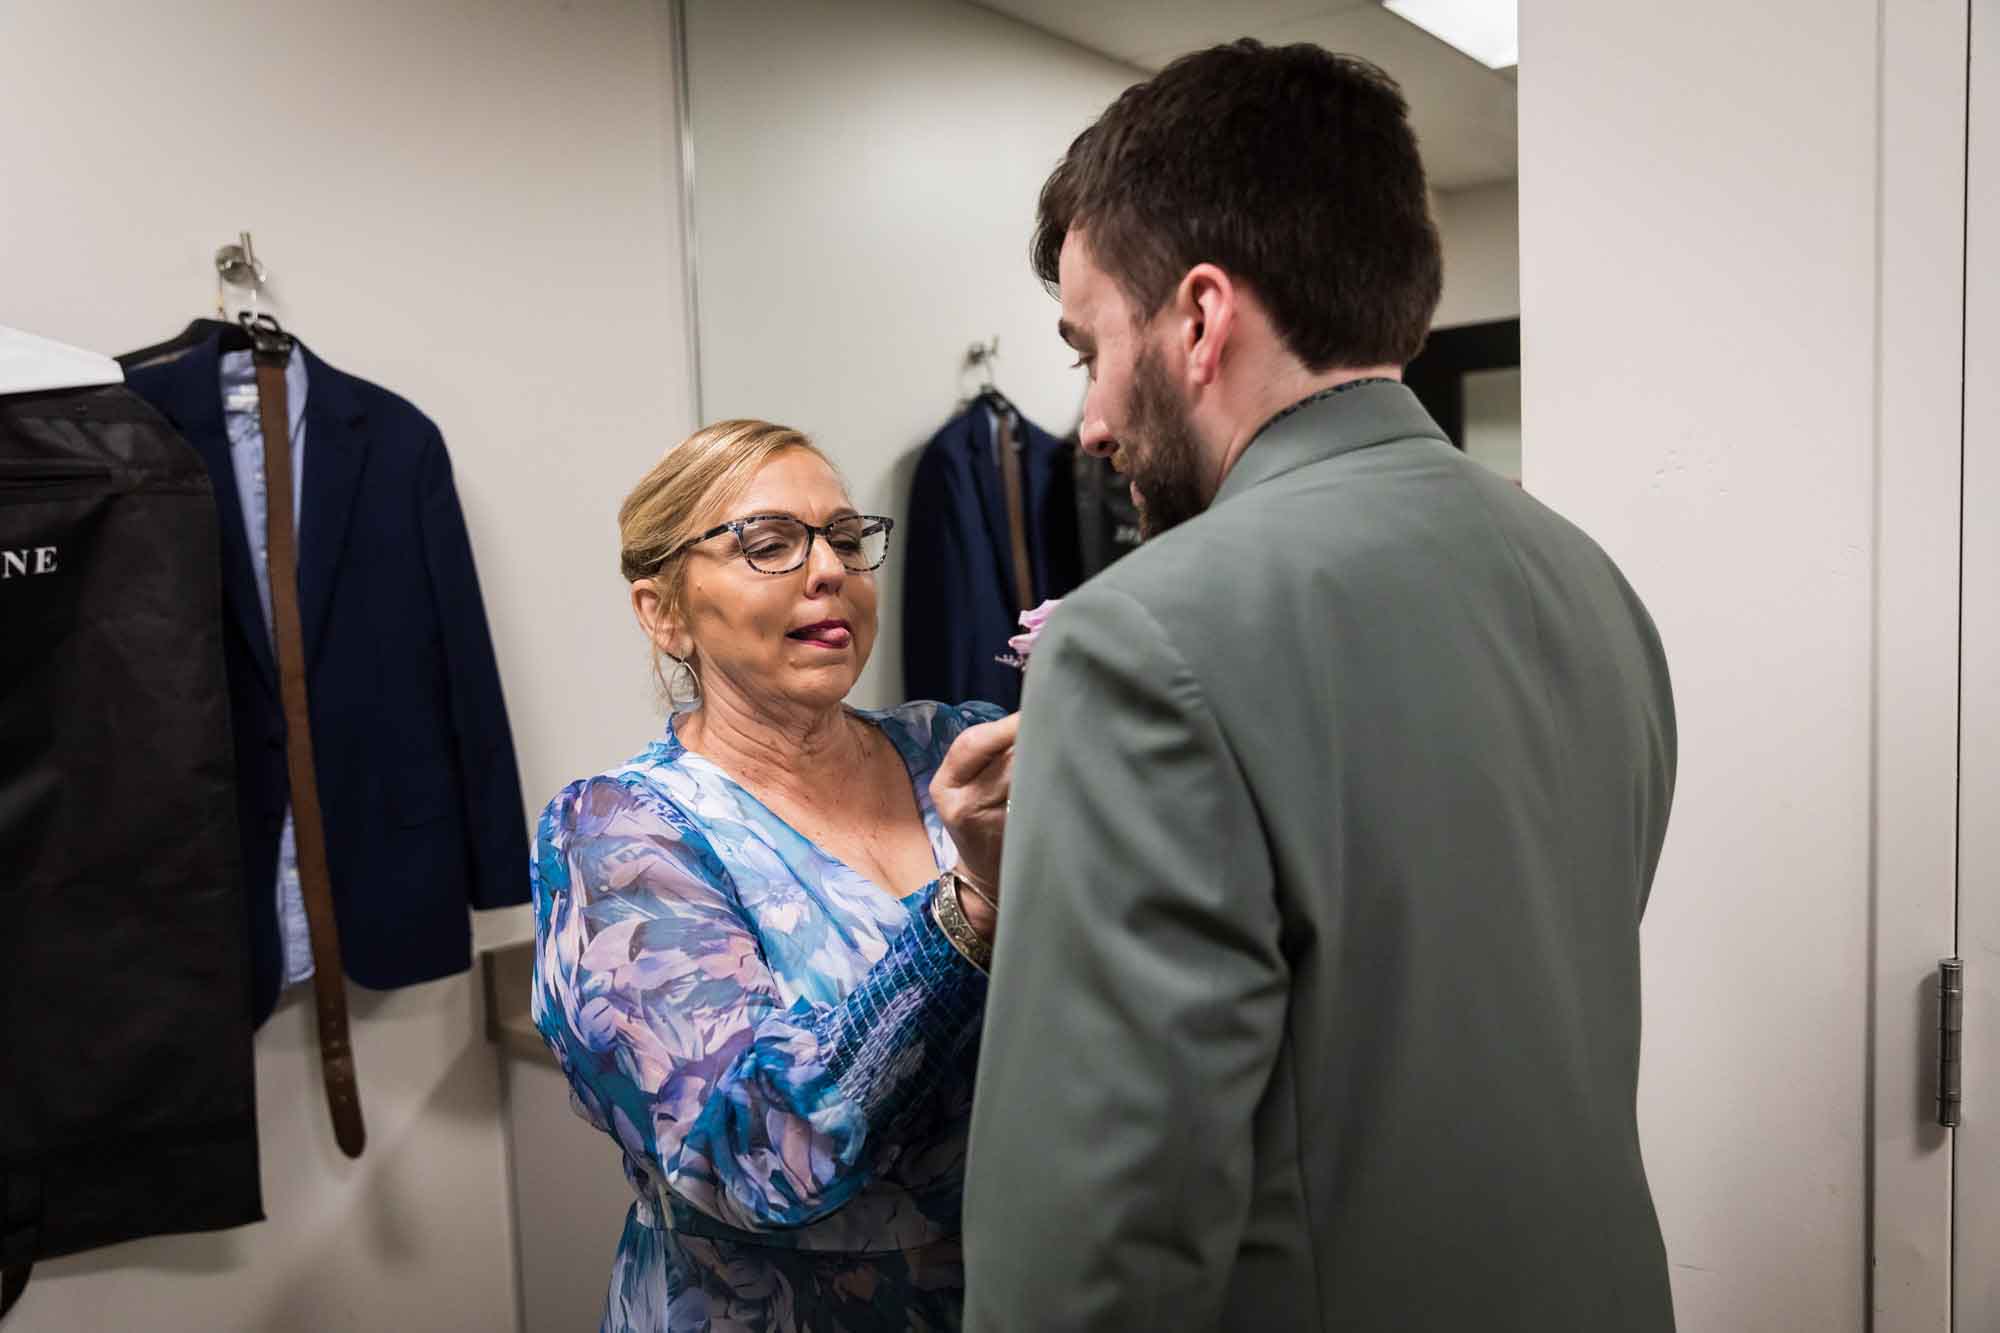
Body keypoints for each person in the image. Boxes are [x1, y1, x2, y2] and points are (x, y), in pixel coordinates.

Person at [962, 41, 1678, 1332]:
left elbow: (1090, 1254)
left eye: (1089, 352)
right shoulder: (1591, 589)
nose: (1094, 426)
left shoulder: (1138, 647)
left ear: (1197, 319)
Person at [532, 419, 1017, 1332]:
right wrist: (970, 911)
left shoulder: (958, 752)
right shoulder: (618, 837)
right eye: (768, 544)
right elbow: (747, 1155)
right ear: (663, 610)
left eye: (843, 537)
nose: (828, 568)